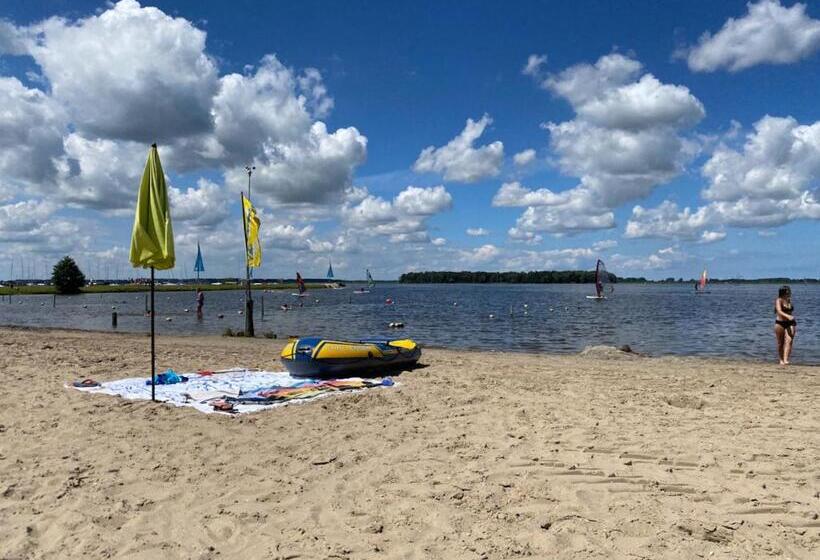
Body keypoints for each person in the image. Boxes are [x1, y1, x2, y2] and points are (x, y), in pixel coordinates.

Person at [774, 285, 796, 366]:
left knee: (789, 341)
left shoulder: (789, 300)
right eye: (787, 291)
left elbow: (790, 311)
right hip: (780, 323)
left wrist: (791, 317)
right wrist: (788, 316)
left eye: (789, 291)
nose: (789, 292)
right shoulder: (778, 300)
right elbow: (779, 311)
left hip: (790, 323)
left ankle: (786, 359)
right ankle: (781, 360)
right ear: (783, 292)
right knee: (780, 343)